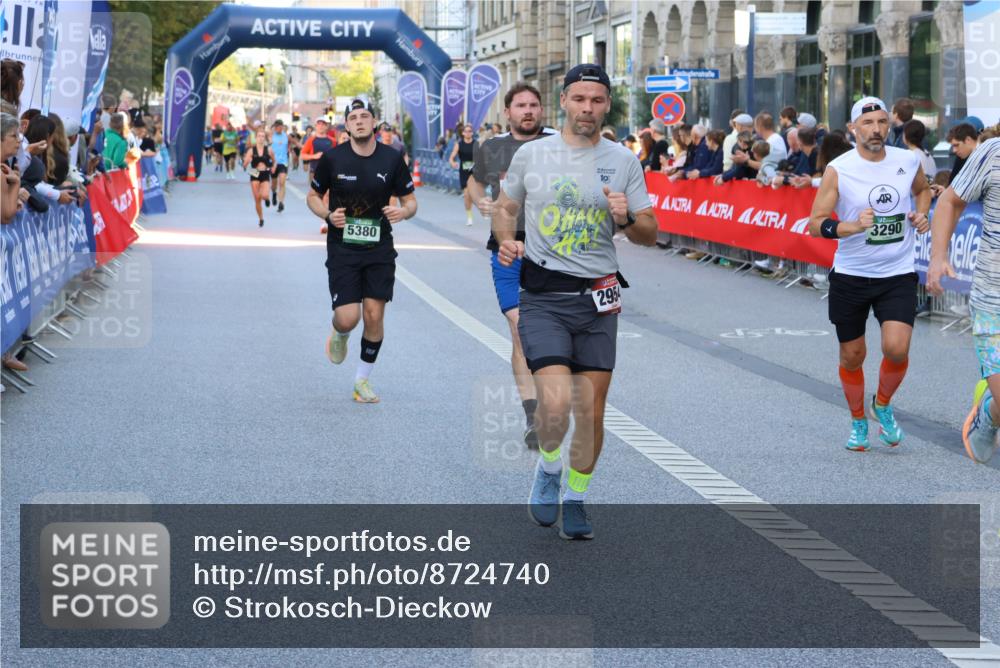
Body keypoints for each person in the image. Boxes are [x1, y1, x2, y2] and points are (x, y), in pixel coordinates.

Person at [492, 64, 657, 540]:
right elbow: (505, 207)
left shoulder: (623, 160)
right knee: (558, 405)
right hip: (543, 296)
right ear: (563, 101)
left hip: (599, 300)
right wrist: (506, 239)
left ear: (607, 105)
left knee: (591, 411)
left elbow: (650, 234)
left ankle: (577, 497)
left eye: (597, 100)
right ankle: (548, 468)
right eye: (579, 99)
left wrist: (626, 218)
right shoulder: (533, 155)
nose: (588, 108)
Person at [808, 97, 931, 451]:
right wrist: (848, 226)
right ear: (853, 129)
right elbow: (816, 224)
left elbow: (922, 191)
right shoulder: (839, 168)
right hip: (851, 274)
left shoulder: (908, 160)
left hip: (897, 271)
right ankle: (859, 419)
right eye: (867, 123)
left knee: (896, 348)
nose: (876, 129)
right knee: (853, 356)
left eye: (881, 122)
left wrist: (921, 214)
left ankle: (884, 404)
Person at [306, 98, 417, 404]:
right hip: (343, 247)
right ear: (347, 124)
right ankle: (339, 334)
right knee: (348, 317)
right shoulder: (332, 158)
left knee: (374, 315)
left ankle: (361, 381)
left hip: (379, 247)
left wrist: (403, 213)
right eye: (353, 117)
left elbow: (411, 201)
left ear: (374, 122)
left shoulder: (392, 159)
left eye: (364, 116)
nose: (359, 121)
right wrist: (327, 215)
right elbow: (313, 196)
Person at [468, 82, 556, 450]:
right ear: (508, 112)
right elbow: (473, 184)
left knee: (550, 335)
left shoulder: (558, 144)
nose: (528, 111)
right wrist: (482, 204)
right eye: (521, 105)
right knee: (519, 329)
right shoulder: (493, 148)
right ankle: (533, 416)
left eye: (534, 105)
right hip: (506, 249)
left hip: (553, 250)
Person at [927, 137, 1000, 463]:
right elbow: (950, 202)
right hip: (993, 298)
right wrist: (937, 256)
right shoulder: (993, 152)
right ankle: (989, 411)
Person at [243, 128, 273, 227]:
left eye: (263, 136)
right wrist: (247, 161)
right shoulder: (251, 150)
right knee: (257, 199)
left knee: (264, 195)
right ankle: (261, 218)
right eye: (259, 136)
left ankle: (267, 199)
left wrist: (273, 167)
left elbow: (274, 160)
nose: (261, 138)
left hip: (264, 172)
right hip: (254, 172)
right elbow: (245, 164)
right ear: (256, 138)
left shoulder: (268, 149)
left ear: (265, 138)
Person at [448, 123, 477, 226]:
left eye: (470, 131)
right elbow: (451, 157)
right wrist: (452, 162)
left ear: (472, 133)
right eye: (466, 131)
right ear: (463, 133)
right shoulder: (459, 144)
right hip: (464, 171)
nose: (468, 133)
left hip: (475, 171)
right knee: (466, 195)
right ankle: (469, 217)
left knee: (472, 194)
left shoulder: (476, 143)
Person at [270, 119, 290, 212]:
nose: (278, 128)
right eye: (276, 126)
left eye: (280, 126)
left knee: (282, 182)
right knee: (274, 184)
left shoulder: (286, 136)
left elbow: (295, 143)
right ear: (274, 127)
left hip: (283, 163)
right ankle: (274, 193)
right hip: (273, 163)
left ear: (282, 126)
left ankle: (281, 202)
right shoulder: (271, 136)